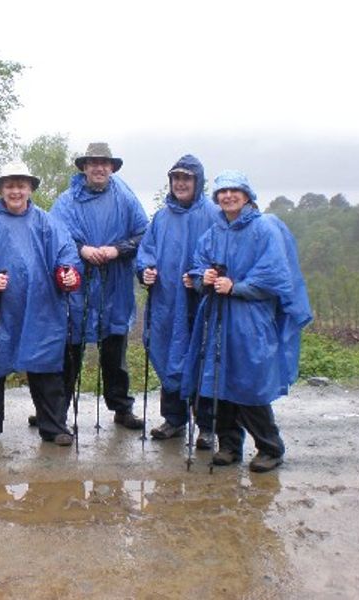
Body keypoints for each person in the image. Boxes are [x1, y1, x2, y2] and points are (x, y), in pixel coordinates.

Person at [182, 170, 312, 472]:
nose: (227, 196)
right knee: (219, 381)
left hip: (250, 320)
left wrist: (235, 287)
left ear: (247, 194)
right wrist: (205, 277)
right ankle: (229, 446)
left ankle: (270, 447)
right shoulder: (214, 232)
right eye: (222, 192)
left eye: (234, 191)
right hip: (216, 318)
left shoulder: (264, 228)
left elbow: (275, 277)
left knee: (249, 384)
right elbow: (198, 266)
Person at [0, 161, 81, 446]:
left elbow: (67, 261)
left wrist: (66, 276)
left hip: (42, 310)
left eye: (21, 185)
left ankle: (54, 426)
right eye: (9, 185)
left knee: (47, 369)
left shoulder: (47, 223)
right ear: (1, 189)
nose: (15, 191)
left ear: (30, 189)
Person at [45, 142, 149, 430]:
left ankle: (121, 408)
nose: (99, 168)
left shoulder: (126, 198)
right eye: (93, 163)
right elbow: (54, 235)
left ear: (112, 167)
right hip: (77, 284)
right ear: (84, 167)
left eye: (105, 163)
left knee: (114, 350)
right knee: (69, 351)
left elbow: (143, 234)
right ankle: (56, 410)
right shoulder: (66, 201)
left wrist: (117, 249)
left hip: (115, 284)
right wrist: (82, 250)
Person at [135, 154, 222, 447]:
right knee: (167, 354)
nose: (181, 184)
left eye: (186, 178)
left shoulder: (213, 214)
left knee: (202, 359)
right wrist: (145, 270)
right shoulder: (161, 217)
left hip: (202, 304)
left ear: (197, 182)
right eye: (176, 179)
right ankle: (174, 419)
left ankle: (207, 426)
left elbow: (222, 256)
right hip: (166, 303)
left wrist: (200, 277)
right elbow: (146, 250)